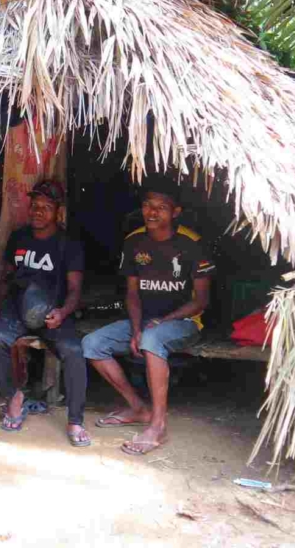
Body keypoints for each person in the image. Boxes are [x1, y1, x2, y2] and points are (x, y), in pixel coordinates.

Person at [82, 186, 215, 456]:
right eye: (147, 205)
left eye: (161, 207)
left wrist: (161, 322)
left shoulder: (191, 243)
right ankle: (138, 408)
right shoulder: (134, 241)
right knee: (91, 343)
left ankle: (158, 424)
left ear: (175, 212)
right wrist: (135, 329)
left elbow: (200, 301)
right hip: (144, 321)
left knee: (153, 338)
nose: (152, 212)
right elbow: (131, 293)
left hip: (185, 323)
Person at [0, 181, 90, 446]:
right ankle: (14, 396)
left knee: (74, 351)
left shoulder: (68, 245)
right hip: (17, 306)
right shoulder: (19, 237)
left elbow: (75, 289)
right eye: (35, 206)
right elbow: (5, 275)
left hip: (51, 311)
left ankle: (75, 420)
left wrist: (62, 313)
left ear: (58, 212)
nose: (38, 211)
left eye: (46, 207)